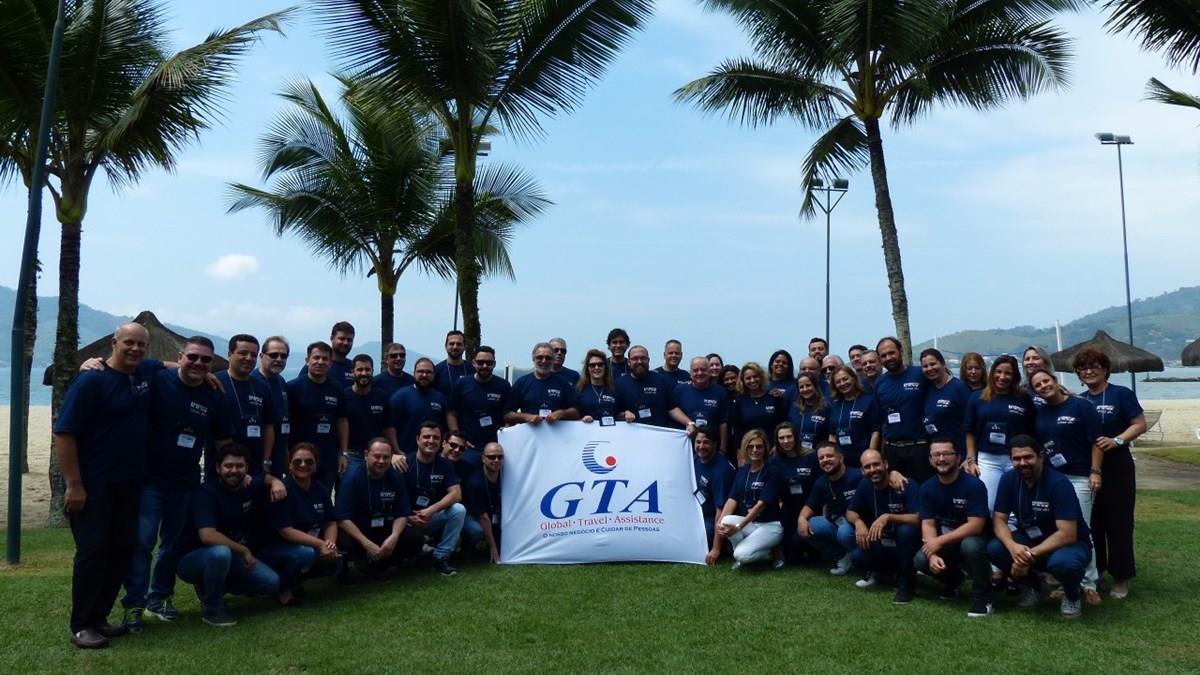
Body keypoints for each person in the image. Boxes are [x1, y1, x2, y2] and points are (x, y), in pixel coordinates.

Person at [55, 323, 160, 648]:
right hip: (93, 484)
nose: (135, 349)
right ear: (114, 343)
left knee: (121, 550)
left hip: (129, 484)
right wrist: (74, 484)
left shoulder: (144, 373)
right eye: (129, 342)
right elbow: (65, 433)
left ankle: (99, 617)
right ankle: (81, 625)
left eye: (141, 344)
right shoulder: (91, 380)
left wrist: (209, 374)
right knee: (93, 552)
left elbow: (174, 365)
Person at [122, 336, 233, 632]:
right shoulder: (158, 379)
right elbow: (122, 365)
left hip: (185, 483)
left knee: (171, 545)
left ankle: (159, 598)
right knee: (142, 543)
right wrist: (90, 363)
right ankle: (134, 605)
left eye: (205, 360)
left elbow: (222, 442)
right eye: (192, 357)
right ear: (180, 356)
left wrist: (229, 474)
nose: (198, 363)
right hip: (149, 480)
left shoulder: (214, 395)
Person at [988, 435, 1093, 619]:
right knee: (995, 548)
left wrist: (1027, 557)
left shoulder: (1059, 483)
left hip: (1067, 545)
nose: (1022, 463)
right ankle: (1036, 587)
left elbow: (1067, 534)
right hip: (1031, 541)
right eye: (1017, 459)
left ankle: (1072, 595)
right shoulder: (1008, 479)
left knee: (1064, 564)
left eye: (1028, 457)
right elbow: (999, 519)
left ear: (1040, 457)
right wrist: (1013, 548)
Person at [176, 444, 281, 627]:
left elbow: (264, 478)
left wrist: (276, 482)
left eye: (239, 466)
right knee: (220, 552)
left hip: (231, 556)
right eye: (228, 466)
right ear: (218, 468)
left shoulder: (248, 485)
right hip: (193, 559)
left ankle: (213, 586)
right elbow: (208, 536)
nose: (234, 470)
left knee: (271, 583)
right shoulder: (206, 493)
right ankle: (213, 608)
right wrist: (244, 550)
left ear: (247, 468)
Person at [1073, 347, 1145, 599]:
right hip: (1088, 468)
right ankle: (1098, 570)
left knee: (1118, 523)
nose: (1089, 371)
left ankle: (1121, 576)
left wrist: (1118, 441)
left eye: (1094, 366)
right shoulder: (1080, 400)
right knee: (1093, 522)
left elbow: (1139, 424)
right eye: (1083, 368)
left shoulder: (1120, 394)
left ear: (1105, 370)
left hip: (1117, 467)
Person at [1030, 368, 1103, 605]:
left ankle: (1089, 583)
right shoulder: (1040, 411)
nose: (1043, 386)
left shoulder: (1081, 406)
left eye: (1046, 381)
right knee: (1058, 530)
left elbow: (1096, 442)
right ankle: (1067, 580)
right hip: (1052, 479)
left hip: (1080, 476)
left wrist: (1095, 471)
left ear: (1055, 380)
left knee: (1082, 529)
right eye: (1038, 385)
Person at [915, 438, 994, 617]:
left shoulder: (974, 485)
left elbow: (975, 525)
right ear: (930, 460)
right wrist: (932, 553)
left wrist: (938, 542)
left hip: (975, 540)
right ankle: (954, 580)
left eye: (947, 454)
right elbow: (927, 523)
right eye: (936, 455)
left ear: (958, 458)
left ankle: (984, 598)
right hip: (946, 542)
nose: (941, 459)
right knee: (921, 559)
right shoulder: (927, 488)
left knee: (970, 545)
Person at [260, 443, 342, 599]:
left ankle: (296, 582)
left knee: (334, 562)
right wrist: (321, 544)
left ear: (316, 465)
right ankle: (283, 588)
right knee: (306, 554)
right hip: (276, 548)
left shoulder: (320, 488)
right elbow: (286, 531)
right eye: (297, 461)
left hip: (309, 543)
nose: (303, 465)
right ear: (289, 464)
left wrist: (330, 544)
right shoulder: (282, 490)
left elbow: (331, 521)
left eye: (309, 461)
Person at [843, 449, 921, 604]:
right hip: (883, 541)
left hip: (909, 544)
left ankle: (906, 585)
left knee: (906, 530)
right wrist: (859, 523)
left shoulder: (906, 484)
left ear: (885, 464)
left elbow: (919, 518)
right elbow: (850, 512)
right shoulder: (865, 485)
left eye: (876, 464)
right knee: (857, 556)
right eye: (867, 467)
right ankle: (886, 573)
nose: (873, 469)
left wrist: (888, 517)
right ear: (862, 470)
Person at [335, 438, 421, 577]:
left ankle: (383, 563)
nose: (381, 461)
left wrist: (394, 536)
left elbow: (402, 513)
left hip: (384, 526)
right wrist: (366, 543)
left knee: (414, 537)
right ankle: (357, 564)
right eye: (377, 456)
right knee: (344, 542)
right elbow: (342, 518)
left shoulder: (396, 477)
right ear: (366, 455)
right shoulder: (351, 478)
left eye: (386, 457)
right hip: (359, 530)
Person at [963, 355, 1035, 510]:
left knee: (1019, 505)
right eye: (998, 372)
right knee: (989, 505)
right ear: (992, 373)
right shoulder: (977, 397)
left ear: (1014, 376)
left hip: (1017, 458)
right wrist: (971, 461)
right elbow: (969, 431)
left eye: (1008, 373)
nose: (1002, 377)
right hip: (988, 459)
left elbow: (1032, 431)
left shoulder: (1024, 399)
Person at [706, 430, 783, 569]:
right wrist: (719, 525)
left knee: (740, 554)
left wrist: (738, 527)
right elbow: (731, 500)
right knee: (725, 520)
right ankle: (747, 553)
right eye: (750, 446)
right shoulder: (742, 471)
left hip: (770, 525)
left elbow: (760, 505)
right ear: (745, 449)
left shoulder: (772, 471)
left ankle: (767, 551)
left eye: (759, 446)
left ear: (765, 449)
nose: (755, 450)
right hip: (751, 524)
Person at [215, 335, 282, 489]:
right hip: (224, 469)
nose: (248, 358)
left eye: (253, 355)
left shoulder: (262, 387)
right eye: (243, 353)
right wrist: (233, 466)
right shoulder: (216, 382)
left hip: (256, 467)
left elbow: (269, 425)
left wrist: (266, 460)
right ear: (230, 354)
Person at [404, 422, 466, 576]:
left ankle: (440, 557)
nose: (431, 441)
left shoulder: (445, 465)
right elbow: (395, 497)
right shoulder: (404, 462)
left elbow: (456, 494)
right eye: (426, 437)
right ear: (417, 439)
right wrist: (408, 516)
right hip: (405, 519)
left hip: (431, 517)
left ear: (440, 442)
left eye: (435, 438)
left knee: (458, 510)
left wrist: (431, 510)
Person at [287, 341, 350, 488]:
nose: (320, 362)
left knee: (323, 497)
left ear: (330, 363)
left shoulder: (337, 388)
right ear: (307, 360)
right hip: (298, 459)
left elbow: (342, 421)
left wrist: (343, 454)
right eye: (316, 358)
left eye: (325, 359)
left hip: (327, 458)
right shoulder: (292, 388)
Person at [796, 442, 863, 575]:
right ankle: (842, 558)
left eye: (829, 456)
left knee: (844, 532)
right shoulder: (821, 482)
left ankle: (860, 560)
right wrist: (801, 519)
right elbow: (809, 505)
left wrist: (894, 474)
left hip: (859, 525)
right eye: (821, 458)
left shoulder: (858, 476)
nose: (825, 460)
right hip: (837, 524)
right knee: (807, 526)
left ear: (841, 458)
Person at [874, 337, 931, 483]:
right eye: (883, 355)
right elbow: (881, 421)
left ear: (901, 351)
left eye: (891, 353)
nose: (888, 358)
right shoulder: (880, 383)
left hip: (920, 448)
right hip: (893, 450)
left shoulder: (920, 374)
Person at [770, 422, 820, 562]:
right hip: (789, 512)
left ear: (796, 437)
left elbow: (820, 486)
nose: (785, 441)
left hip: (811, 510)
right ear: (777, 440)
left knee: (815, 555)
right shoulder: (775, 462)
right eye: (781, 438)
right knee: (792, 557)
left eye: (789, 437)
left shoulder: (811, 457)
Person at [448, 345, 512, 449]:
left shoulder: (504, 385)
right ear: (473, 363)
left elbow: (509, 414)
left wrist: (506, 431)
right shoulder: (461, 384)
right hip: (468, 446)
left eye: (489, 363)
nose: (485, 366)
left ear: (494, 364)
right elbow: (451, 413)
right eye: (480, 362)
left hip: (495, 446)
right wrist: (458, 437)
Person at [343, 354, 397, 475]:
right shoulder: (344, 396)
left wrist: (396, 450)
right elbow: (340, 425)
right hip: (352, 454)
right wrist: (343, 453)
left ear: (372, 371)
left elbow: (388, 427)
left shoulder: (381, 396)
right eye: (360, 369)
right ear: (352, 372)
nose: (364, 373)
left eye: (367, 370)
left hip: (377, 453)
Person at [670, 356, 731, 458]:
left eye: (703, 370)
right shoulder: (680, 390)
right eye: (695, 370)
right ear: (690, 373)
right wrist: (689, 423)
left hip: (712, 450)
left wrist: (723, 449)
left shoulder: (720, 392)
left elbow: (723, 423)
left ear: (709, 371)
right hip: (686, 448)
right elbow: (672, 410)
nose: (699, 373)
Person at [506, 343, 581, 425]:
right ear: (533, 358)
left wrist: (561, 413)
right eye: (540, 357)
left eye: (548, 358)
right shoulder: (521, 383)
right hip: (529, 432)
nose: (544, 361)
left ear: (553, 360)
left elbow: (577, 412)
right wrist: (526, 417)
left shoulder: (563, 384)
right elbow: (507, 415)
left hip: (557, 432)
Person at [390, 357, 448, 455]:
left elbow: (445, 428)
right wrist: (396, 451)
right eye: (420, 371)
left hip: (433, 455)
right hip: (405, 455)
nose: (424, 375)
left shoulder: (440, 398)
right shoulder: (400, 397)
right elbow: (390, 428)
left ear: (434, 375)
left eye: (429, 372)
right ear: (414, 373)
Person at [253, 336, 292, 477]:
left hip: (278, 458)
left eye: (283, 356)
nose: (279, 359)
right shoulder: (252, 381)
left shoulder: (281, 382)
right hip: (256, 460)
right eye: (273, 355)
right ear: (261, 356)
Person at [827, 364, 880, 469]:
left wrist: (869, 459)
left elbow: (875, 432)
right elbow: (832, 436)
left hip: (864, 461)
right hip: (842, 463)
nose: (842, 383)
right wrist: (834, 458)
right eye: (838, 382)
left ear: (853, 378)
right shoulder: (834, 405)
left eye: (845, 379)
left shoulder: (868, 401)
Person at [920, 348, 971, 455]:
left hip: (958, 453)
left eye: (933, 364)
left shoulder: (959, 388)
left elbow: (972, 424)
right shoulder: (927, 389)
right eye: (925, 366)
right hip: (937, 454)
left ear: (943, 363)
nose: (929, 368)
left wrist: (969, 456)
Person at [693, 427, 735, 547]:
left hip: (712, 519)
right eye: (698, 442)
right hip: (696, 512)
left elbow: (721, 512)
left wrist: (716, 548)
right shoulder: (696, 459)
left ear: (715, 444)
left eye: (706, 442)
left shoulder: (721, 472)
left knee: (697, 538)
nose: (701, 446)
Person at [464, 442, 505, 564]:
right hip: (475, 516)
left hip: (494, 515)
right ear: (483, 459)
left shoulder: (507, 477)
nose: (496, 460)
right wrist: (493, 547)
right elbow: (483, 518)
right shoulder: (475, 483)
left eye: (500, 457)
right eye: (491, 457)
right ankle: (467, 548)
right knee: (476, 530)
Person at [729, 362, 784, 449]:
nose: (752, 380)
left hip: (773, 449)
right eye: (748, 378)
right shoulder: (739, 401)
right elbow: (737, 430)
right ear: (743, 381)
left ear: (761, 377)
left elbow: (782, 425)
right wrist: (739, 451)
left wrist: (777, 446)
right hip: (749, 450)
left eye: (755, 376)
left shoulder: (774, 398)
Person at [617, 345, 674, 427]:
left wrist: (689, 423)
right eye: (635, 358)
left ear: (648, 360)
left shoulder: (662, 381)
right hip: (631, 433)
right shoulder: (619, 384)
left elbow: (672, 409)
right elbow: (615, 413)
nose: (639, 361)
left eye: (643, 358)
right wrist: (625, 414)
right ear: (629, 362)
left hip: (659, 433)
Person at [577, 348, 626, 426]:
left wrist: (626, 414)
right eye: (592, 365)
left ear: (605, 367)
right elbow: (573, 417)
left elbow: (618, 414)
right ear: (587, 368)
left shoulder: (615, 390)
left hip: (611, 432)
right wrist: (581, 420)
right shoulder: (579, 389)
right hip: (586, 432)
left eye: (600, 364)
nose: (596, 367)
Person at [298, 321, 356, 387]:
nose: (345, 343)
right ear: (332, 338)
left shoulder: (354, 368)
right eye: (342, 339)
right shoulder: (315, 366)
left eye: (349, 340)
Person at [787, 373, 830, 456]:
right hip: (797, 454)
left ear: (815, 386)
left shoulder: (826, 407)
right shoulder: (794, 408)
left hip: (819, 455)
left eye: (808, 385)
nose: (805, 389)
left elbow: (831, 435)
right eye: (801, 387)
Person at [434, 330, 475, 397]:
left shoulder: (472, 370)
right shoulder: (436, 371)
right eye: (451, 344)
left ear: (465, 347)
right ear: (446, 346)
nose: (455, 347)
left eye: (459, 344)